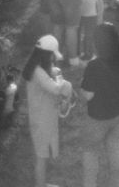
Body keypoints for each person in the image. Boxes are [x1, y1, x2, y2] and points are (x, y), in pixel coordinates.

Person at [81, 23, 119, 187]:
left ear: (97, 43)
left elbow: (88, 95)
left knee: (90, 151)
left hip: (99, 117)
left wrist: (80, 89)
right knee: (113, 145)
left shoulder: (93, 66)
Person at [23, 35, 72, 187]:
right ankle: (40, 184)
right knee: (41, 157)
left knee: (42, 154)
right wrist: (67, 85)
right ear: (46, 55)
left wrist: (56, 72)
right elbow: (56, 89)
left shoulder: (36, 67)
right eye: (52, 56)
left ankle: (42, 183)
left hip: (43, 116)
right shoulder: (38, 72)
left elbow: (51, 73)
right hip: (41, 120)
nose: (53, 59)